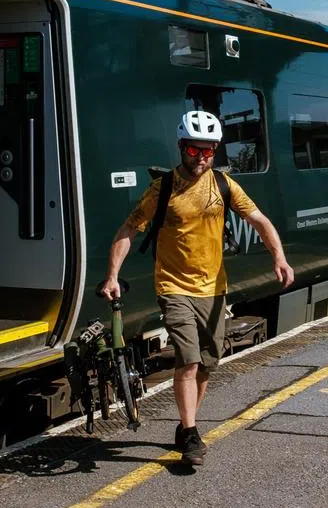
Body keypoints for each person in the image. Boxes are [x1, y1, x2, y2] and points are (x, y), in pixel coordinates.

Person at [100, 110, 294, 465]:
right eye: (194, 151)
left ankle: (185, 425)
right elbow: (128, 230)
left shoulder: (223, 185)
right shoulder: (162, 189)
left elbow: (259, 219)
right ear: (181, 147)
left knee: (206, 364)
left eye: (209, 151)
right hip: (173, 286)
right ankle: (190, 434)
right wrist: (112, 275)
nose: (201, 158)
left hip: (214, 289)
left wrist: (278, 258)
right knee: (188, 361)